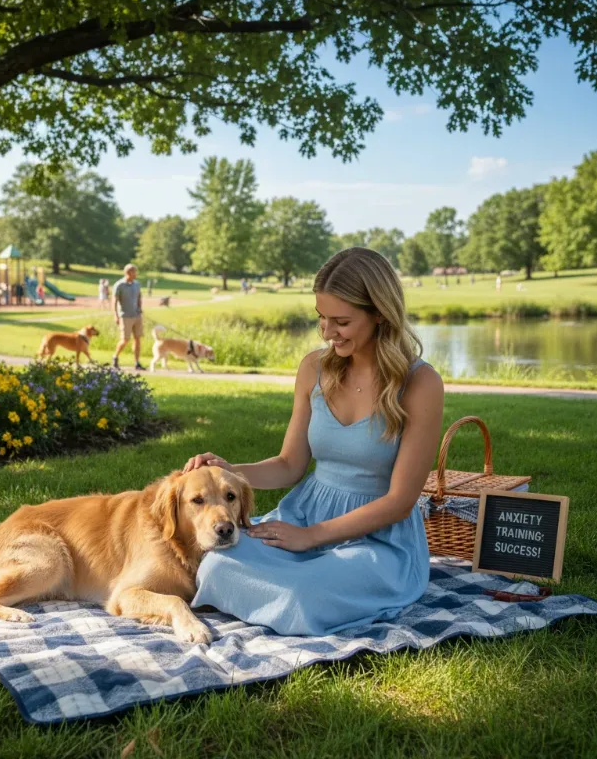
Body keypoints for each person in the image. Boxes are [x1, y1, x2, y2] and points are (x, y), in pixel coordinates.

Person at [184, 247, 444, 636]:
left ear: (380, 314)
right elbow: (290, 464)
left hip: (378, 539)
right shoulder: (314, 369)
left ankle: (296, 595)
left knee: (304, 594)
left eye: (341, 321)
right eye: (321, 318)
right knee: (216, 562)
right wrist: (227, 474)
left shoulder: (421, 384)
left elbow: (400, 501)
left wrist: (311, 538)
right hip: (304, 515)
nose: (327, 332)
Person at [112, 264, 145, 370]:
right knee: (125, 340)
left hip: (136, 315)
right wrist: (115, 315)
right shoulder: (119, 285)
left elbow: (139, 297)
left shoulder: (137, 284)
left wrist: (140, 308)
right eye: (134, 272)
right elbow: (114, 301)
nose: (136, 274)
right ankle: (115, 357)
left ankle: (137, 362)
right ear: (128, 272)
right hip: (125, 316)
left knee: (137, 339)